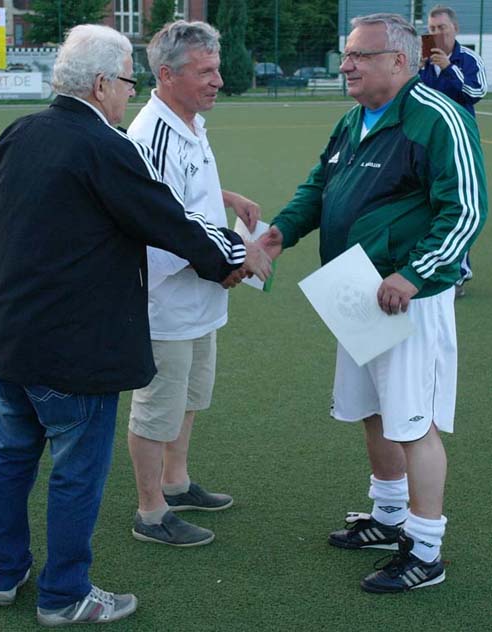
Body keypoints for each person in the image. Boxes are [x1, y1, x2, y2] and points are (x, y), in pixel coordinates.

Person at [0, 24, 271, 626]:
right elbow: (166, 219)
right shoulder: (106, 144)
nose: (130, 91)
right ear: (100, 84)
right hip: (74, 347)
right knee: (75, 470)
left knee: (11, 458)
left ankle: (1, 572)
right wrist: (233, 255)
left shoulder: (20, 132)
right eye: (126, 81)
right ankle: (65, 596)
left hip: (10, 337)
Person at [261, 13, 487, 593]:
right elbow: (319, 187)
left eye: (360, 55)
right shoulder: (352, 120)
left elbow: (464, 209)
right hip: (354, 289)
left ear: (400, 61)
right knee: (372, 409)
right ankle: (388, 519)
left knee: (414, 422)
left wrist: (413, 276)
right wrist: (282, 231)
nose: (347, 65)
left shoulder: (440, 117)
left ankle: (426, 549)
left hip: (405, 298)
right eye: (347, 55)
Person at [126, 21, 261, 547]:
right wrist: (227, 262)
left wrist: (224, 196)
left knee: (189, 396)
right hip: (168, 301)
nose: (218, 81)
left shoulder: (188, 121)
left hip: (198, 297)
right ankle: (150, 511)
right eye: (205, 71)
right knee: (158, 404)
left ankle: (175, 482)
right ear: (167, 75)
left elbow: (182, 191)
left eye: (216, 68)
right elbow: (159, 227)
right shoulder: (152, 134)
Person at [419, 4, 488, 296]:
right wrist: (421, 69)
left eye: (441, 28)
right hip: (425, 144)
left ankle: (459, 273)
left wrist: (449, 69)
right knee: (425, 204)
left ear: (455, 29)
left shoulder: (468, 59)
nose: (436, 33)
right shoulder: (421, 62)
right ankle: (428, 266)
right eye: (432, 29)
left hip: (460, 146)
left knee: (459, 208)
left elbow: (477, 92)